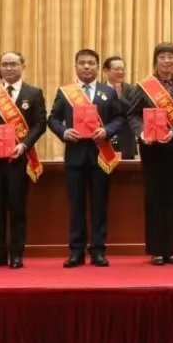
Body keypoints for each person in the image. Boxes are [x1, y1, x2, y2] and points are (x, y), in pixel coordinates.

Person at [49, 48, 126, 268]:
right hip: (75, 157)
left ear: (98, 67)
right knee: (76, 207)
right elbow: (52, 119)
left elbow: (120, 118)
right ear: (75, 66)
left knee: (99, 205)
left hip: (101, 156)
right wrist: (64, 132)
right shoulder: (66, 92)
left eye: (91, 63)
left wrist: (107, 130)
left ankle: (98, 250)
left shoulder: (108, 91)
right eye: (82, 63)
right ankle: (76, 251)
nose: (86, 67)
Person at [124, 43, 173, 265]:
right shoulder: (143, 87)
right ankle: (155, 250)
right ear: (156, 60)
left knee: (171, 198)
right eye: (162, 57)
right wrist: (141, 132)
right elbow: (132, 115)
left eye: (171, 57)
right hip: (151, 148)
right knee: (154, 198)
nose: (167, 61)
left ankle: (170, 249)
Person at [0, 51, 47, 269]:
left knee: (17, 208)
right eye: (5, 64)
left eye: (13, 64)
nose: (8, 68)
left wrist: (24, 144)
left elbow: (40, 124)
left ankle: (17, 253)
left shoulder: (33, 93)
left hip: (19, 160)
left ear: (22, 66)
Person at [104, 55, 138, 160]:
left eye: (122, 69)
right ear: (106, 71)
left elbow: (133, 111)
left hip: (126, 142)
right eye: (117, 69)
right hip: (104, 141)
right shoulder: (99, 89)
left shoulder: (132, 89)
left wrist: (120, 98)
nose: (120, 72)